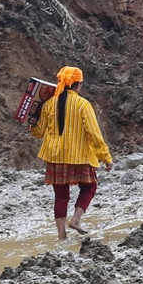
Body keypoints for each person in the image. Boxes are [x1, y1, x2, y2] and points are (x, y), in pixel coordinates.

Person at [30, 65, 113, 239]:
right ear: (78, 85)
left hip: (55, 156)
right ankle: (75, 220)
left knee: (61, 195)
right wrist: (105, 157)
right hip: (80, 156)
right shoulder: (83, 105)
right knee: (90, 187)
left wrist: (32, 120)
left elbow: (38, 132)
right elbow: (93, 133)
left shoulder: (49, 104)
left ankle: (61, 235)